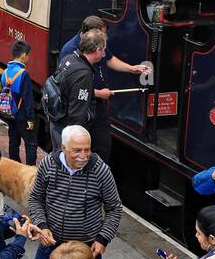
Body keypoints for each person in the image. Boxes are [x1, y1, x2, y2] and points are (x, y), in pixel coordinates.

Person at [28, 125, 123, 259]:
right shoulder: (48, 164)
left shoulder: (101, 171)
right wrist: (42, 225)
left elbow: (114, 208)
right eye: (77, 150)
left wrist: (102, 239)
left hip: (85, 251)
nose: (83, 156)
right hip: (51, 246)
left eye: (87, 150)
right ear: (63, 148)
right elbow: (35, 198)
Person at [59, 14, 150, 161]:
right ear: (93, 43)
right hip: (80, 106)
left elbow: (109, 59)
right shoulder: (69, 52)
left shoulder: (99, 46)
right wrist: (98, 93)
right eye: (102, 35)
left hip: (97, 106)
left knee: (103, 145)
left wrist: (131, 69)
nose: (106, 38)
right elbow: (68, 87)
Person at [49, 28, 107, 153]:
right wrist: (77, 144)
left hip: (56, 121)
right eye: (103, 50)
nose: (104, 54)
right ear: (97, 50)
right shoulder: (84, 74)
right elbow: (77, 113)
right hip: (67, 132)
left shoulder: (69, 58)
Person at [0, 40, 37, 165]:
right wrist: (30, 119)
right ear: (23, 55)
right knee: (31, 144)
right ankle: (30, 169)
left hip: (9, 113)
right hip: (22, 115)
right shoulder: (23, 74)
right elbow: (27, 98)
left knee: (14, 141)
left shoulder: (5, 72)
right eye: (29, 55)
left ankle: (14, 166)